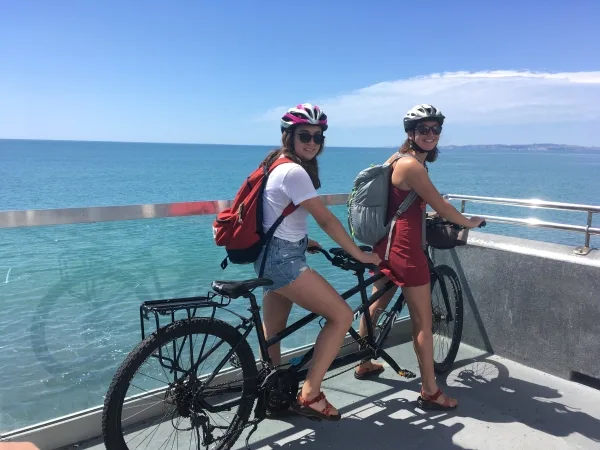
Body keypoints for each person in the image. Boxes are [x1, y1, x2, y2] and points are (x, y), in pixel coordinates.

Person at [254, 103, 382, 421]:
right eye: (304, 135)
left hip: (268, 256)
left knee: (274, 331)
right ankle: (310, 395)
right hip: (283, 261)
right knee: (341, 315)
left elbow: (276, 213)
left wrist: (301, 240)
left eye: (318, 136)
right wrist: (359, 253)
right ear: (289, 136)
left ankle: (271, 391)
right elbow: (325, 219)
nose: (312, 142)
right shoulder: (295, 171)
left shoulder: (275, 163)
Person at [354, 104, 484, 410]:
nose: (430, 135)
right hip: (405, 250)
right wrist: (469, 222)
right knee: (423, 322)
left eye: (435, 129)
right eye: (422, 129)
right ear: (410, 133)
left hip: (384, 245)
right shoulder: (412, 165)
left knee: (376, 305)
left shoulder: (396, 159)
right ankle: (430, 390)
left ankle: (364, 362)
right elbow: (442, 206)